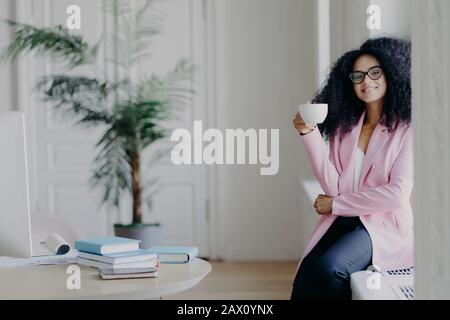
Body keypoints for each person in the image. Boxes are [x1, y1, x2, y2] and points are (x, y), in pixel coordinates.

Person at [291, 37, 413, 300]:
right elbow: (333, 187)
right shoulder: (344, 128)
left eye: (374, 73)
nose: (366, 81)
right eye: (358, 76)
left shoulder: (406, 130)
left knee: (330, 268)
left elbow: (397, 194)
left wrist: (336, 205)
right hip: (344, 219)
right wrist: (308, 133)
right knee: (304, 278)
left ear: (392, 74)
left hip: (383, 226)